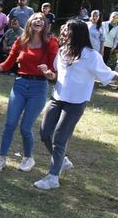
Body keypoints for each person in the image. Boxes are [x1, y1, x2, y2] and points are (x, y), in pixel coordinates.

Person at [33, 20, 118, 190]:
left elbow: (108, 75)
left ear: (77, 34)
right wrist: (48, 73)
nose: (63, 33)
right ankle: (62, 161)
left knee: (59, 139)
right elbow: (57, 74)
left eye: (67, 31)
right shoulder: (63, 51)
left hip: (75, 103)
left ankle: (53, 177)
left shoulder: (91, 56)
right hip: (57, 98)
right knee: (44, 133)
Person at [0, 13, 59, 173]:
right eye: (35, 19)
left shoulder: (51, 43)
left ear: (45, 24)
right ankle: (1, 158)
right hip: (20, 85)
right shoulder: (21, 41)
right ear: (29, 23)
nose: (38, 21)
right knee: (10, 123)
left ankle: (28, 158)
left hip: (39, 87)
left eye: (41, 19)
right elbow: (8, 64)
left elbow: (55, 70)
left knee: (25, 127)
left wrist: (50, 74)